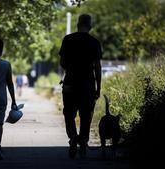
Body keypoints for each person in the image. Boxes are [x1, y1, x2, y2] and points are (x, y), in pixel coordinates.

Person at [59, 14, 102, 159]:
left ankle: (72, 138)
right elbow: (97, 67)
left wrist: (71, 68)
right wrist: (98, 87)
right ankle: (82, 144)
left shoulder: (68, 39)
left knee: (69, 113)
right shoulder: (95, 42)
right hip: (88, 85)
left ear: (77, 25)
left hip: (70, 83)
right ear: (90, 27)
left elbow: (62, 63)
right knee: (86, 115)